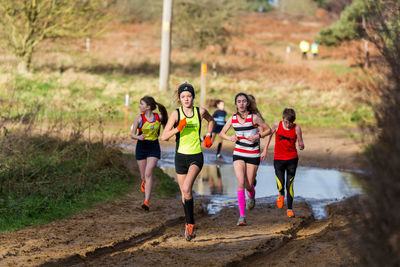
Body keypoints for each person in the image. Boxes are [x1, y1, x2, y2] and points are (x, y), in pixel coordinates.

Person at [161, 82, 214, 241]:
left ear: (193, 97)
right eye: (183, 96)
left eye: (189, 96)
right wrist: (178, 128)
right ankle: (188, 225)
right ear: (180, 98)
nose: (186, 99)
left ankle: (190, 225)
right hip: (180, 157)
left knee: (186, 188)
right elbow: (164, 136)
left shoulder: (200, 111)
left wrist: (209, 136)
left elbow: (211, 121)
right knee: (185, 194)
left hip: (196, 156)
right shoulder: (176, 114)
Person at [220, 93, 272, 226]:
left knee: (248, 184)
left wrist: (258, 136)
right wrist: (229, 138)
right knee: (240, 182)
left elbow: (269, 130)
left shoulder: (254, 118)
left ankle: (252, 194)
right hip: (238, 153)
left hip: (253, 154)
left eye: (244, 101)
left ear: (247, 104)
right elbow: (222, 133)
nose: (241, 103)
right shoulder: (232, 119)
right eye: (239, 101)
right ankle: (242, 216)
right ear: (236, 104)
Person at [260, 108, 304, 218]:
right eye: (286, 122)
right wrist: (265, 150)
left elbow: (301, 143)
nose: (288, 125)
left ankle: (289, 209)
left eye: (290, 122)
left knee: (290, 185)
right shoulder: (276, 125)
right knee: (280, 184)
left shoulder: (297, 128)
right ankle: (281, 194)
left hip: (292, 160)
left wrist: (301, 146)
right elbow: (269, 135)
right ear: (282, 119)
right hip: (278, 159)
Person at [130, 96, 168, 211]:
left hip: (154, 147)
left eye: (141, 104)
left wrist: (166, 133)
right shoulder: (138, 118)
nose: (139, 106)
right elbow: (132, 134)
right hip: (141, 146)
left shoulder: (159, 117)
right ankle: (144, 182)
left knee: (148, 173)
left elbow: (166, 127)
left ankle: (146, 202)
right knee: (143, 176)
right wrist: (138, 136)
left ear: (148, 107)